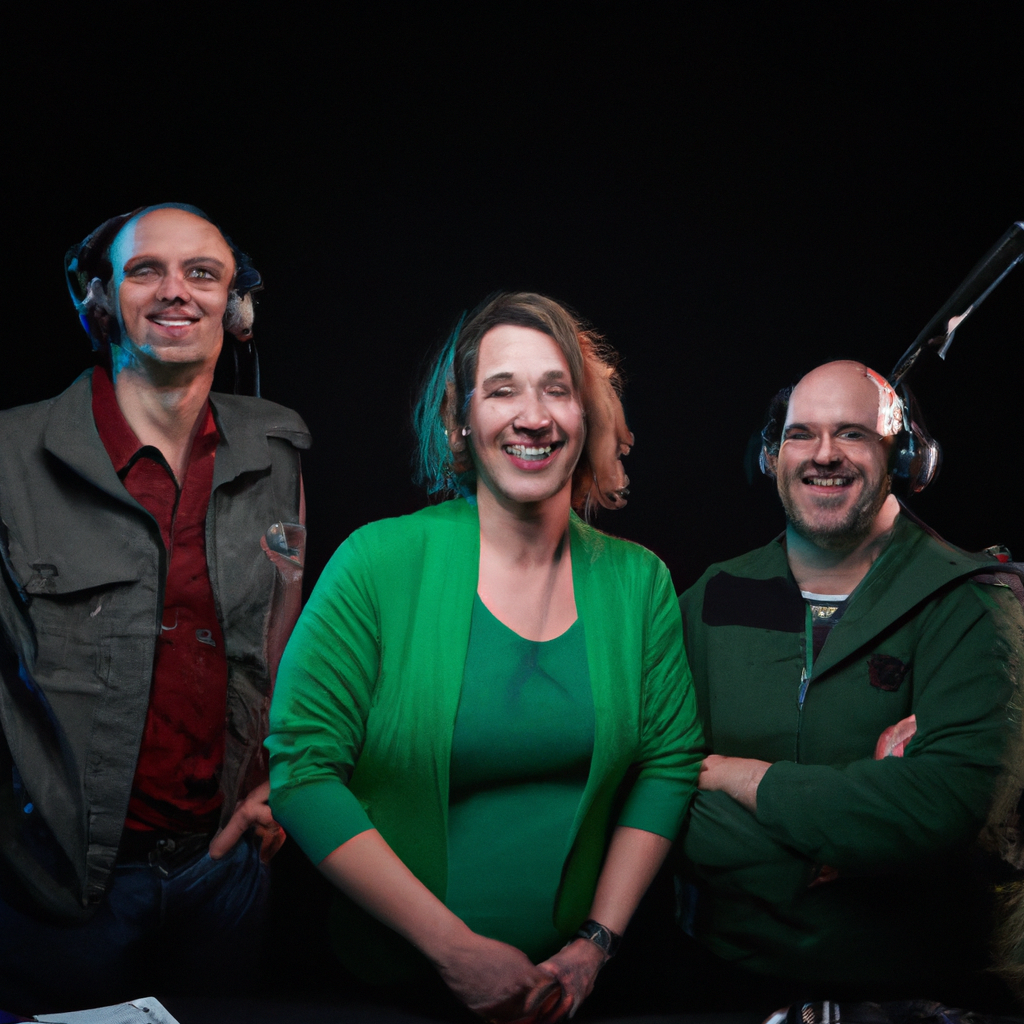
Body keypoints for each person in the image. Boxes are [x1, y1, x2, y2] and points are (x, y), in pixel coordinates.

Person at [267, 292, 703, 1021]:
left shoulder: (640, 581)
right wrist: (452, 950)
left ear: (585, 415)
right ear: (459, 418)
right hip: (391, 991)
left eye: (555, 390)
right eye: (501, 390)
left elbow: (669, 761)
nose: (532, 416)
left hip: (567, 995)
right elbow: (303, 772)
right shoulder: (380, 562)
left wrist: (595, 943)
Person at [0, 204, 310, 1011]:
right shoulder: (9, 457)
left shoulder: (277, 452)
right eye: (146, 270)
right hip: (54, 892)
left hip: (224, 874)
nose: (177, 291)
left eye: (202, 273)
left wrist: (280, 777)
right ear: (100, 299)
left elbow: (285, 637)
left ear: (235, 308)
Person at [675, 360, 1024, 1007]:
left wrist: (741, 778)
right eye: (802, 434)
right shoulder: (711, 597)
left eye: (853, 434)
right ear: (771, 456)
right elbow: (659, 791)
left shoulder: (973, 603)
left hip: (919, 994)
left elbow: (940, 806)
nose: (824, 455)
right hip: (726, 985)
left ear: (904, 457)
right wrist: (844, 837)